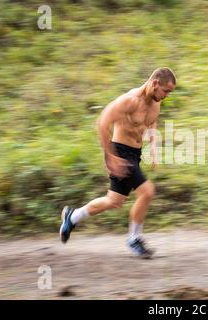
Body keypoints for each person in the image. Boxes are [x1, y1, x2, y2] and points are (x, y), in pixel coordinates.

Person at [59, 67, 176, 259]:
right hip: (121, 153)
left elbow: (152, 122)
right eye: (166, 91)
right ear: (155, 84)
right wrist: (109, 156)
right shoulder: (129, 101)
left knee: (114, 201)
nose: (167, 96)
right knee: (147, 192)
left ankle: (72, 217)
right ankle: (134, 238)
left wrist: (154, 147)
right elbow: (102, 122)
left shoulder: (156, 103)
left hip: (134, 154)